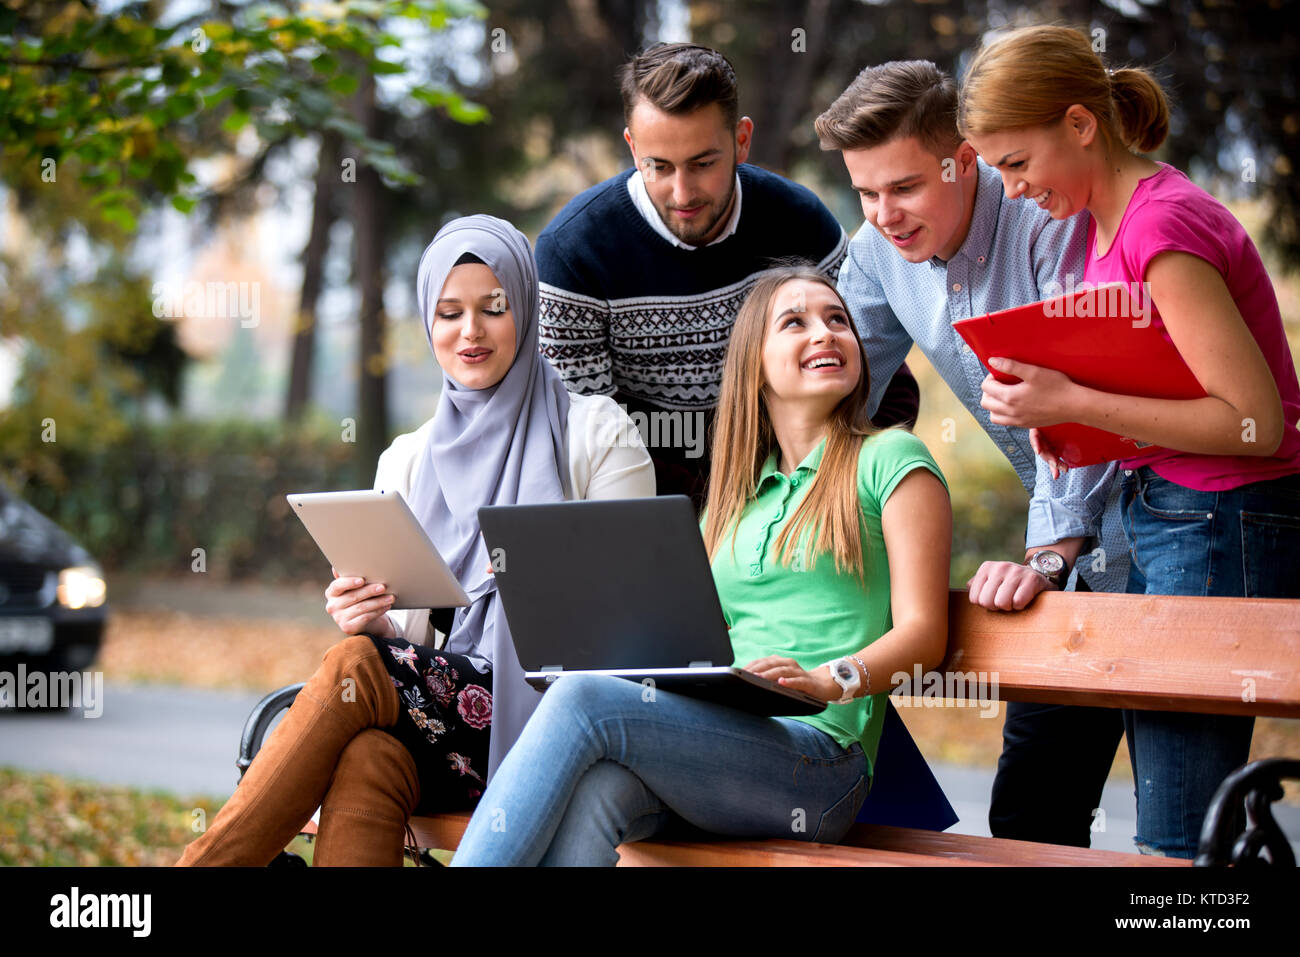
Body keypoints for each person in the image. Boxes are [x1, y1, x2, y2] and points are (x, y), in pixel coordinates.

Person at [175, 215, 654, 866]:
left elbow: (634, 620)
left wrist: (537, 570)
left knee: (352, 670)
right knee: (370, 745)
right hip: (441, 730)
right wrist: (369, 621)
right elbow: (408, 651)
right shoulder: (405, 461)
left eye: (494, 307)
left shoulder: (598, 433)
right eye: (448, 312)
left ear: (528, 309)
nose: (470, 332)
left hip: (556, 725)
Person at [447, 264, 952, 866]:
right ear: (753, 364)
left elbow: (926, 634)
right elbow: (693, 638)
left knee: (582, 702)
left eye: (837, 319)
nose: (825, 333)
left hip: (822, 758)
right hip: (727, 736)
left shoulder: (890, 457)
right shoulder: (733, 499)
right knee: (600, 791)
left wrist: (829, 679)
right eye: (795, 322)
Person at [957, 24, 1300, 858]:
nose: (1011, 188)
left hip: (1219, 523)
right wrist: (1071, 427)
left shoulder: (1162, 228)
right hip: (1168, 516)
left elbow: (1256, 423)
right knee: (1175, 830)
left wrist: (1081, 401)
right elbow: (1166, 390)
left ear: (1080, 124)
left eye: (1016, 162)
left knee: (1178, 840)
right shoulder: (1103, 230)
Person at [815, 59, 1126, 849]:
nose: (885, 213)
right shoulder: (882, 248)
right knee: (1031, 819)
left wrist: (1050, 556)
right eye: (866, 192)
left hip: (1156, 525)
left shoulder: (1048, 220)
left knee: (1184, 826)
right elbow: (831, 386)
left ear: (967, 158)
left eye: (906, 187)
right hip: (1067, 556)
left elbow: (1087, 403)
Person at [536, 42, 920, 505]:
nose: (682, 192)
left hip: (805, 494)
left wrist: (814, 489)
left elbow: (875, 377)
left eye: (703, 163)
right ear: (632, 146)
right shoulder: (572, 253)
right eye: (658, 166)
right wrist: (722, 515)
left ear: (741, 140)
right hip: (653, 506)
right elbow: (589, 434)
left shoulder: (800, 223)